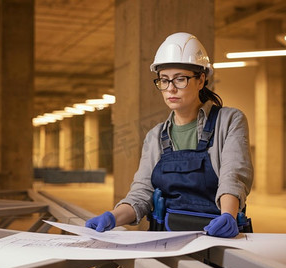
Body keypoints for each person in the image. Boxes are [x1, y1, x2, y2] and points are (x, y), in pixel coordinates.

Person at [86, 32, 253, 238]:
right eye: (164, 80)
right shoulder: (155, 136)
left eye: (180, 79)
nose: (170, 89)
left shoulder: (229, 121)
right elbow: (142, 193)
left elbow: (233, 175)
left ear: (201, 80)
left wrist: (228, 215)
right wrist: (113, 217)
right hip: (166, 239)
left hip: (217, 236)